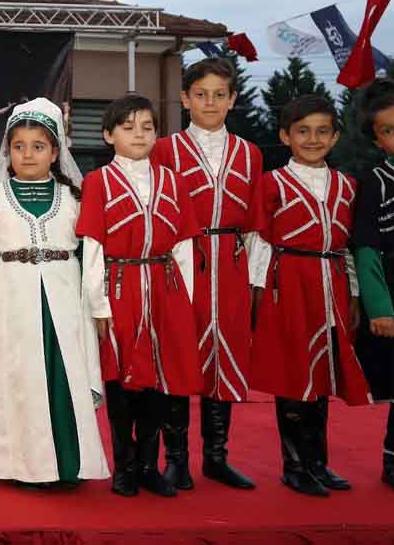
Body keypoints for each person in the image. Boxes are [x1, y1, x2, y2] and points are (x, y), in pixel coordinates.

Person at [0, 98, 108, 487]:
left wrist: (97, 304)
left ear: (55, 152)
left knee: (62, 374)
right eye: (19, 147)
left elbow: (91, 253)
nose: (28, 154)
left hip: (63, 299)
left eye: (38, 146)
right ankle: (19, 466)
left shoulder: (74, 197)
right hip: (11, 297)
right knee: (18, 377)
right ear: (7, 151)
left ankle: (68, 464)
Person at [76, 94, 201, 498]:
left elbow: (183, 247)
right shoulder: (98, 182)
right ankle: (124, 467)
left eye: (147, 127)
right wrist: (98, 304)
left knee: (159, 380)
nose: (139, 135)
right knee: (122, 379)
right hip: (119, 287)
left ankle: (149, 465)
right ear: (108, 135)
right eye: (128, 127)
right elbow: (93, 248)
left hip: (165, 288)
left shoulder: (174, 182)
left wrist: (184, 300)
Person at [250, 95, 370, 497]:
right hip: (288, 283)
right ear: (285, 136)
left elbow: (348, 246)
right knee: (293, 373)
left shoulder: (347, 186)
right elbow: (259, 242)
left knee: (323, 373)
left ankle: (318, 462)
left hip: (331, 282)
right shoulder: (272, 183)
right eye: (303, 131)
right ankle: (294, 466)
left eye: (322, 131)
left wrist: (354, 293)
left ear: (335, 137)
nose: (313, 139)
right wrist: (258, 293)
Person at [151, 58, 261, 491]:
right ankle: (176, 459)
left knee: (225, 357)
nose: (210, 102)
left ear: (232, 99)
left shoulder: (250, 153)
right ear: (185, 99)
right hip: (181, 262)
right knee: (179, 353)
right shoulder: (165, 149)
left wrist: (253, 280)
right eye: (201, 94)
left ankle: (216, 457)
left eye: (219, 94)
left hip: (230, 264)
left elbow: (254, 224)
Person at [353, 78, 394, 496]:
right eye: (389, 131)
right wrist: (379, 306)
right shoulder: (376, 180)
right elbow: (367, 247)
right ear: (377, 141)